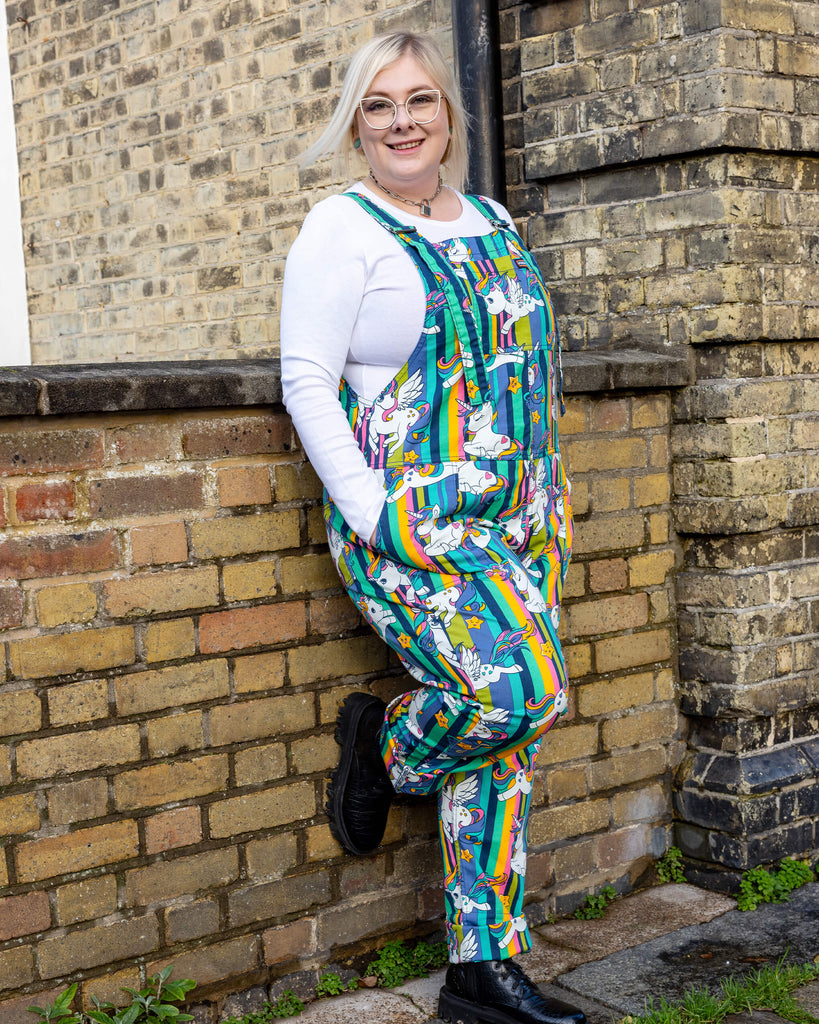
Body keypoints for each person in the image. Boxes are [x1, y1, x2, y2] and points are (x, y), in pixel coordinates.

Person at [280, 30, 581, 1024]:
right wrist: (372, 515)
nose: (403, 120)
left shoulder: (491, 218)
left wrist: (545, 500)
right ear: (357, 126)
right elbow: (307, 381)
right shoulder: (344, 228)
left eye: (420, 100)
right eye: (379, 105)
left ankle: (479, 970)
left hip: (518, 525)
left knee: (505, 743)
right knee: (522, 692)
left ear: (449, 116)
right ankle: (388, 744)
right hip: (415, 534)